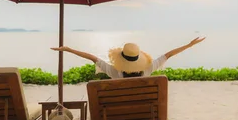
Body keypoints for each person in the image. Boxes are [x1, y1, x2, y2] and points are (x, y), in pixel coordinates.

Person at [51, 37, 206, 79]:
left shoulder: (115, 73)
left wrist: (68, 49)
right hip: (144, 117)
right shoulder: (148, 70)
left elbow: (92, 58)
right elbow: (168, 55)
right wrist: (189, 45)